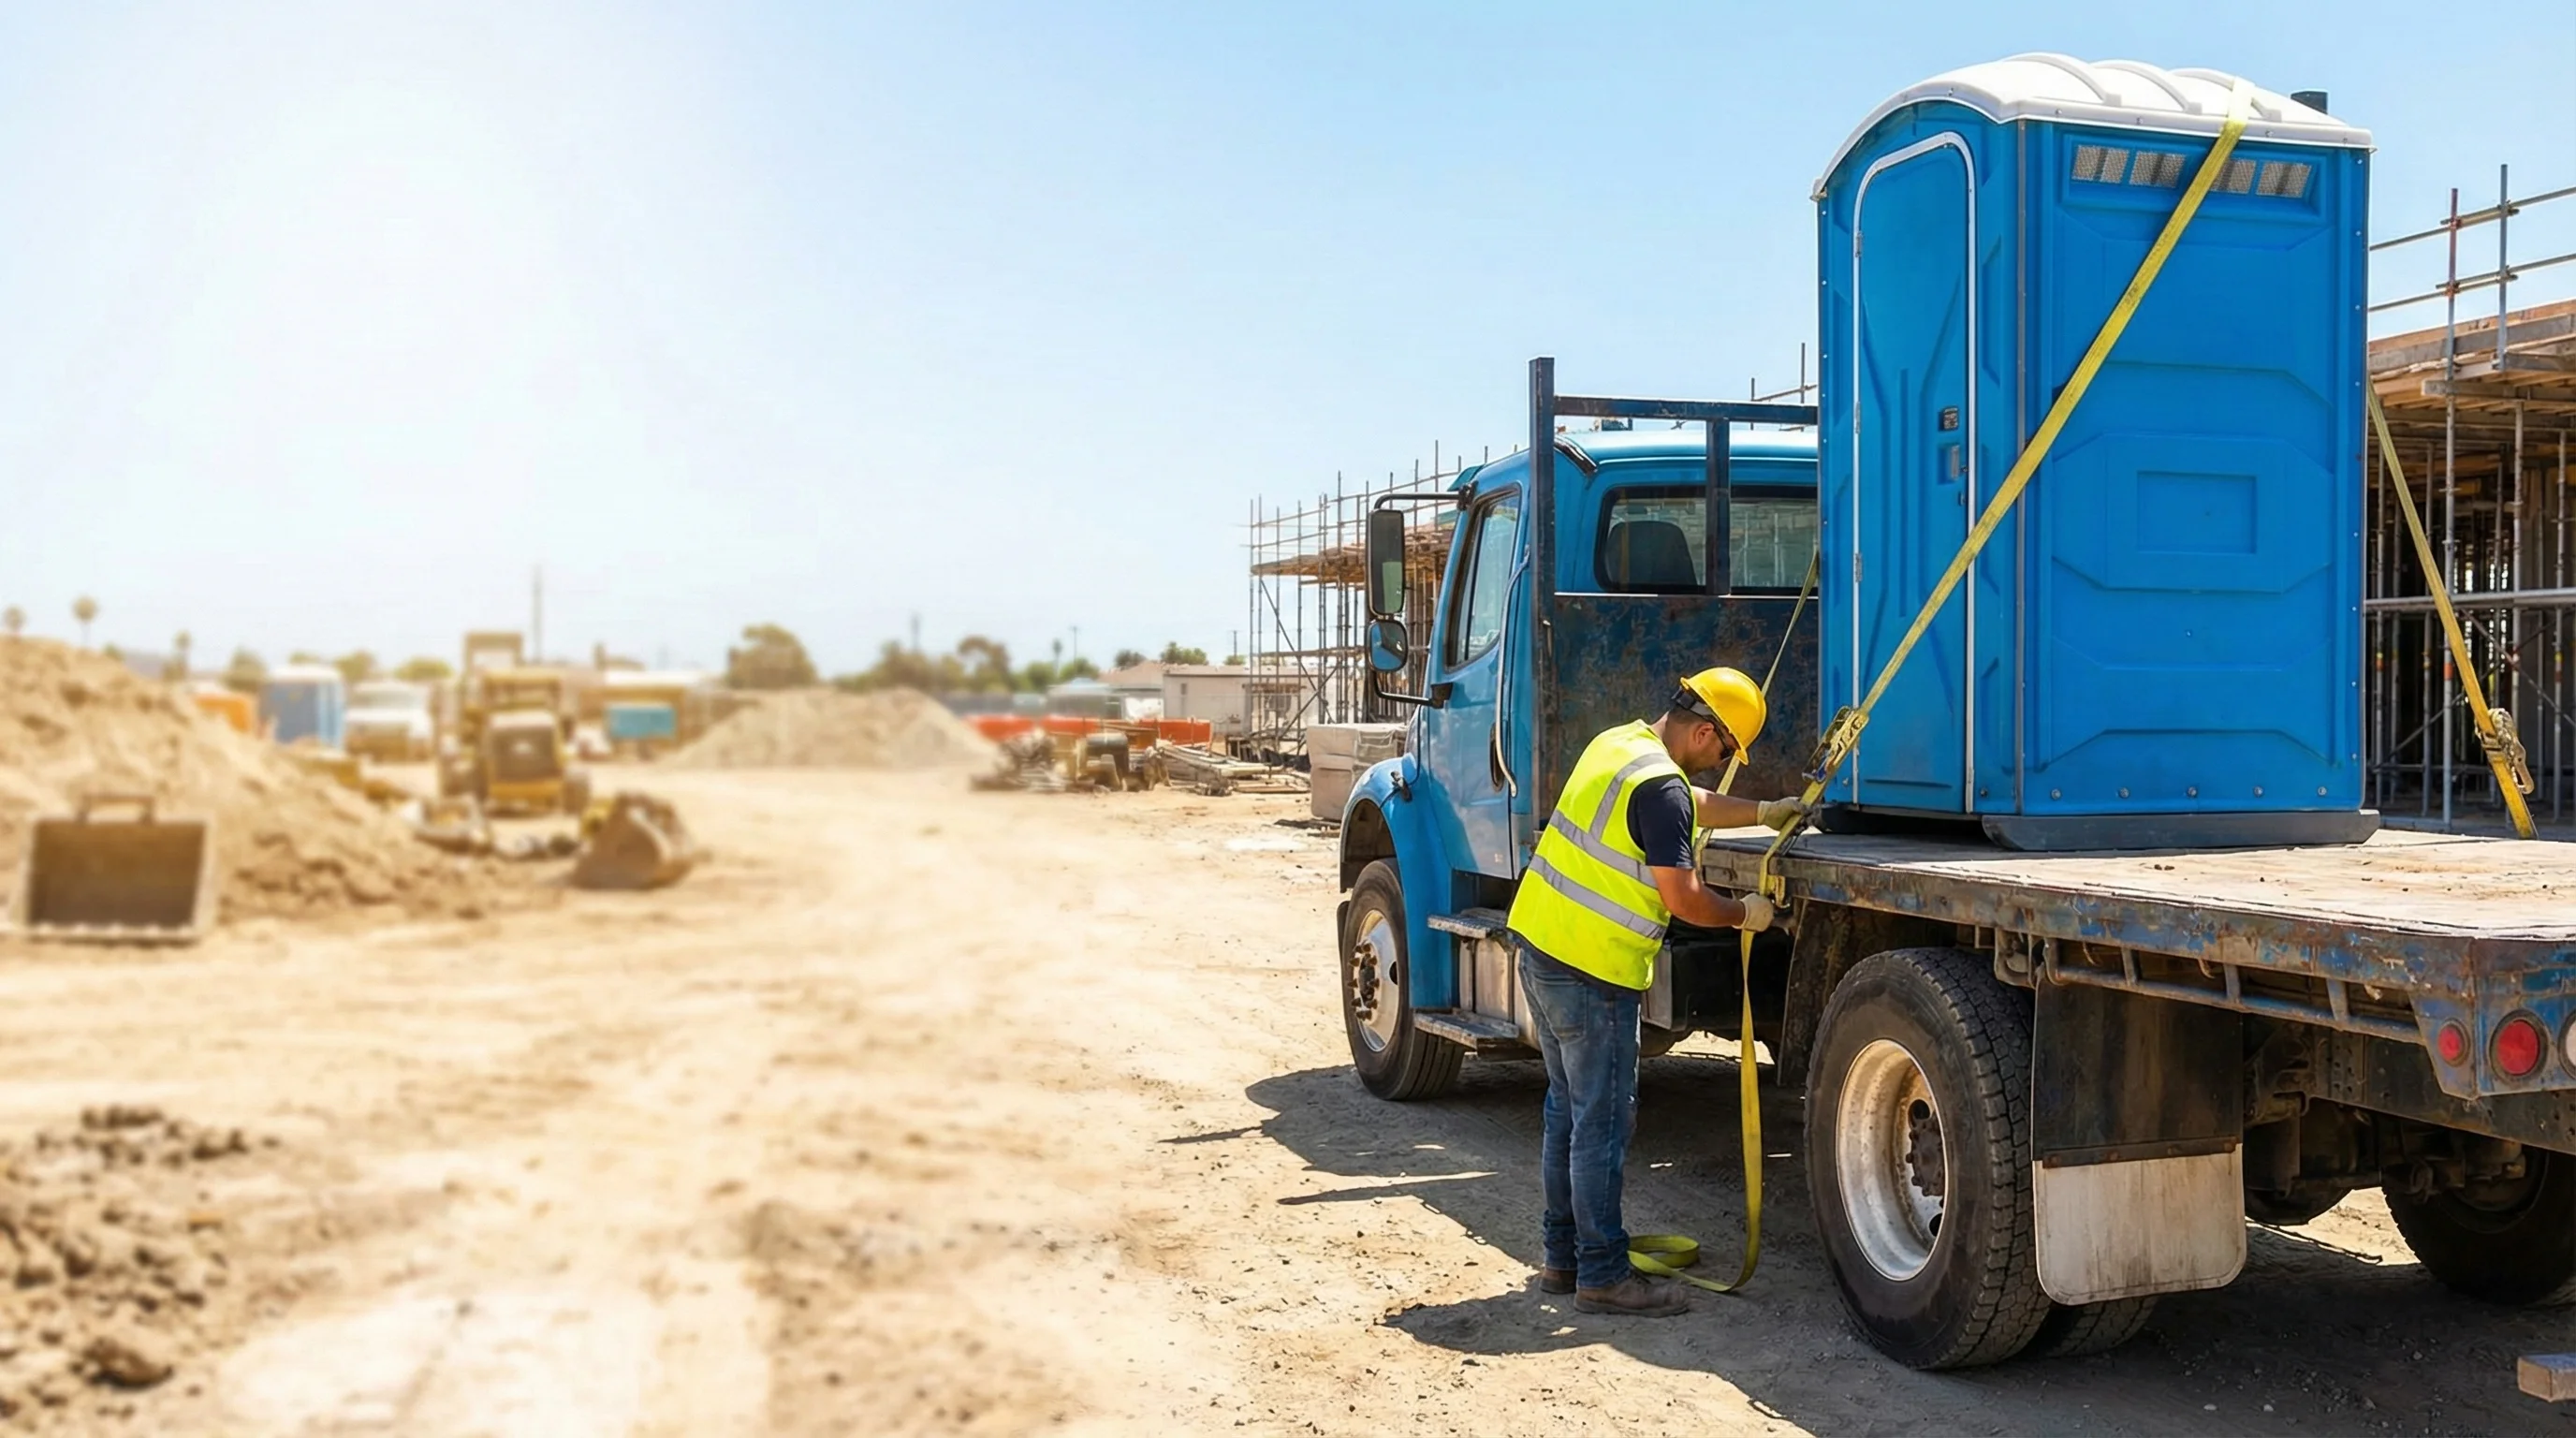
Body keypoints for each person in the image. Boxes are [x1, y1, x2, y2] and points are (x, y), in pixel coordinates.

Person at [1502, 667, 1807, 1317]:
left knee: (1568, 1112)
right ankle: (1605, 1276)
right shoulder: (1660, 788)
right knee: (1602, 1126)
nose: (1723, 762)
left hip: (1542, 948)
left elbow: (1692, 803)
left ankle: (1563, 1260)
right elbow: (1685, 898)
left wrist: (1761, 811)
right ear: (1704, 731)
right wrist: (1746, 914)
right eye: (1726, 751)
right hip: (1594, 971)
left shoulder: (1620, 746)